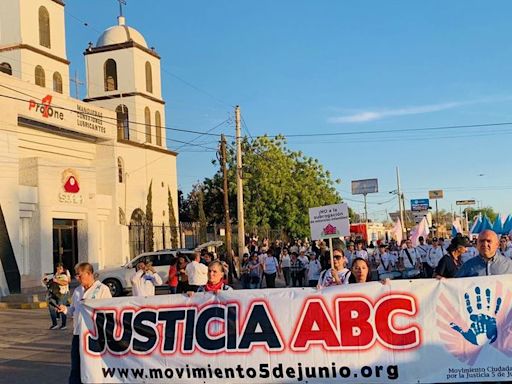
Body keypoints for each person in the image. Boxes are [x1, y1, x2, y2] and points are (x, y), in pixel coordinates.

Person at [57, 262, 111, 384]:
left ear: (89, 273)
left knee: (94, 366)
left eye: (79, 275)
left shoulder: (102, 289)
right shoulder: (77, 291)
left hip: (94, 335)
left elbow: (108, 312)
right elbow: (73, 310)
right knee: (76, 366)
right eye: (76, 275)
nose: (77, 278)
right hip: (78, 334)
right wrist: (65, 309)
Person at [44, 262, 71, 330]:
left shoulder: (65, 275)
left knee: (61, 308)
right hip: (55, 293)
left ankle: (63, 324)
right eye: (57, 269)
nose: (58, 270)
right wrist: (46, 281)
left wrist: (56, 281)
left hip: (63, 294)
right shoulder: (56, 274)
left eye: (59, 268)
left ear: (62, 268)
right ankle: (54, 324)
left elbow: (66, 282)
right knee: (51, 307)